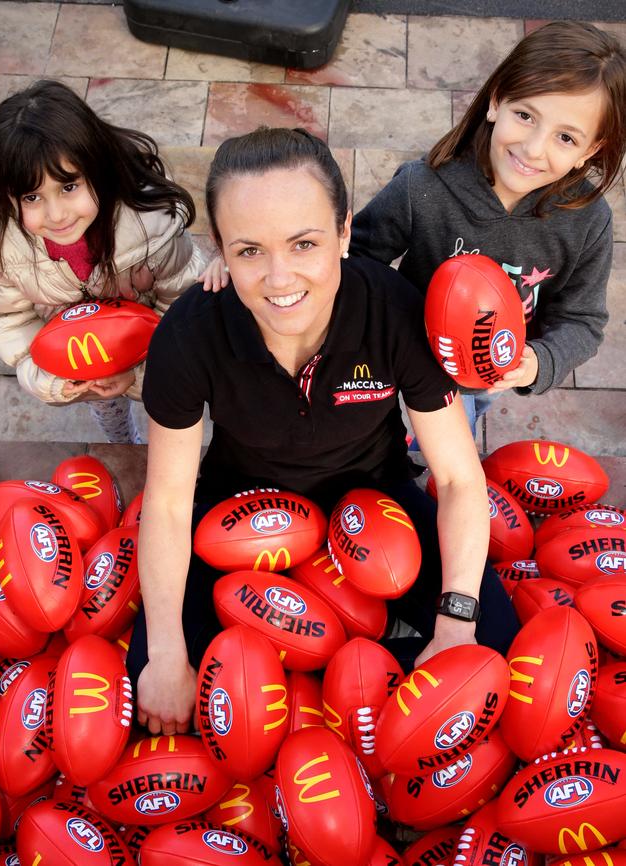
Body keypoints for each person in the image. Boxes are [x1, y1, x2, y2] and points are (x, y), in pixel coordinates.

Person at [129, 127, 519, 736]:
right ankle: (283, 711)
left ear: (343, 233)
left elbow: (459, 478)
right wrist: (168, 656)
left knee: (494, 640)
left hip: (373, 491)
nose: (279, 279)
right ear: (221, 251)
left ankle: (342, 709)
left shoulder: (393, 309)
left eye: (303, 243)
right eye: (249, 250)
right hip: (240, 499)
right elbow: (170, 503)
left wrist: (454, 624)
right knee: (148, 685)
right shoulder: (188, 334)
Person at [354, 22, 626, 431]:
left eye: (565, 138)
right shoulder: (422, 187)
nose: (534, 149)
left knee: (450, 451)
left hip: (482, 379)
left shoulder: (588, 222)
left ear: (591, 150)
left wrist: (539, 361)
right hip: (405, 365)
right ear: (496, 100)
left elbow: (582, 321)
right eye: (525, 115)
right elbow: (354, 259)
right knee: (392, 448)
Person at [0, 80, 204, 444]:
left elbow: (185, 305)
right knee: (108, 411)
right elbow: (9, 320)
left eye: (69, 187)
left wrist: (141, 371)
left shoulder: (151, 225)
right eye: (32, 197)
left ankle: (164, 447)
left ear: (97, 168)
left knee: (169, 406)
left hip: (151, 350)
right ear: (7, 196)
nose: (56, 214)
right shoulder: (3, 246)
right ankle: (124, 443)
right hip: (80, 364)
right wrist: (56, 377)